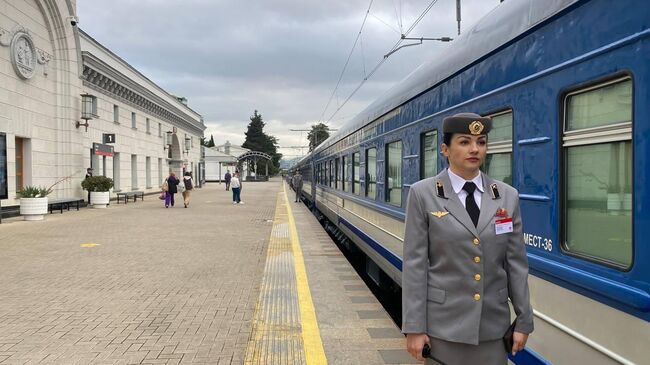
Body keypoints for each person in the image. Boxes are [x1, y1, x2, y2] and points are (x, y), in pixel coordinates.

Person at [402, 112, 533, 365]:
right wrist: (414, 328)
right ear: (445, 149)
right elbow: (415, 265)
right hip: (443, 329)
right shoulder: (423, 194)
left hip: (493, 330)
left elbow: (516, 263)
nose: (475, 149)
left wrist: (524, 320)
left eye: (481, 142)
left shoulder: (507, 196)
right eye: (464, 142)